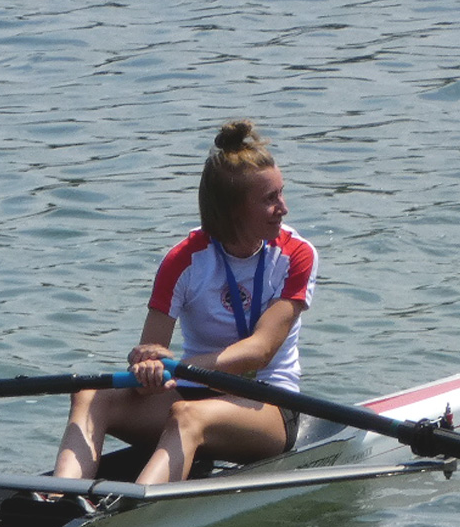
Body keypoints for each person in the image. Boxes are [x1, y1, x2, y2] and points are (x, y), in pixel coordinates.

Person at [53, 120, 318, 486]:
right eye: (269, 199)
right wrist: (146, 369)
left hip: (269, 402)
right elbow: (152, 356)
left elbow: (259, 352)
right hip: (195, 391)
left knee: (188, 416)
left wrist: (175, 367)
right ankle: (60, 499)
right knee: (91, 395)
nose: (283, 208)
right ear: (233, 211)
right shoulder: (183, 260)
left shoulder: (297, 256)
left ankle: (128, 516)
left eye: (281, 194)